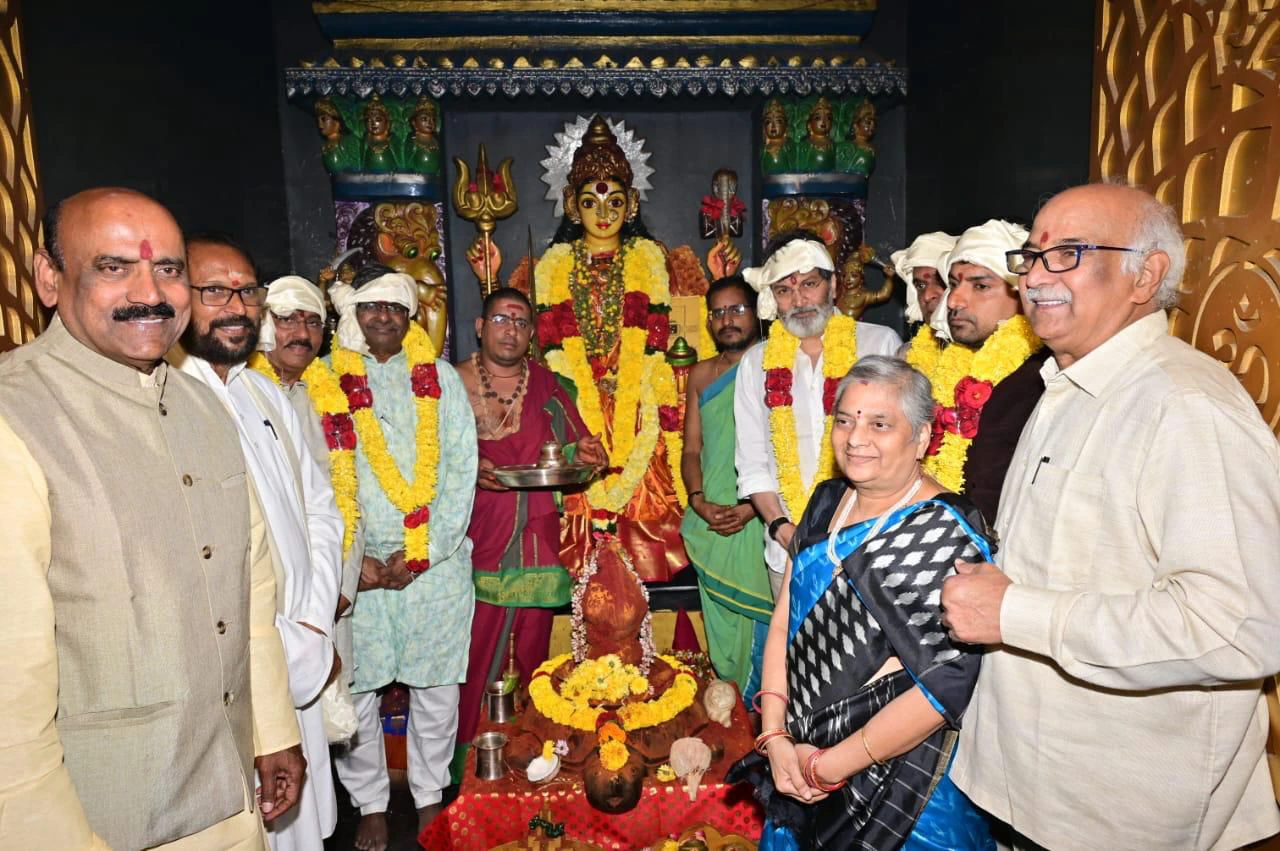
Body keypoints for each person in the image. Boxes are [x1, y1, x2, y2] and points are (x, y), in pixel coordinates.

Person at [943, 183, 1280, 850]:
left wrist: (1014, 613)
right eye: (1033, 255)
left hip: (1122, 815)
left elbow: (1237, 625)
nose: (1036, 276)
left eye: (1067, 253)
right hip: (1029, 788)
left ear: (1145, 274)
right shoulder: (1061, 384)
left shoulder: (1185, 405)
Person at [0, 187, 301, 849]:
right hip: (104, 818)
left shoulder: (199, 406)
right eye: (113, 267)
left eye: (168, 269)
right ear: (50, 278)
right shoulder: (13, 419)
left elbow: (249, 587)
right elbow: (8, 708)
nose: (151, 292)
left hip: (230, 799)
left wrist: (273, 727)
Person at [730, 356, 995, 850]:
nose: (855, 438)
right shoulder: (827, 500)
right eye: (845, 419)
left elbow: (944, 688)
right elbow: (785, 615)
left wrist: (828, 766)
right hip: (798, 753)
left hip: (900, 786)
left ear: (920, 438)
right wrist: (774, 737)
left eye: (879, 423)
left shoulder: (945, 532)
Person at [175, 237, 345, 851]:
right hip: (233, 675)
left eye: (247, 291)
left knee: (304, 833)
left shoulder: (262, 392)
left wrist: (314, 621)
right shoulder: (166, 399)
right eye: (213, 291)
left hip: (302, 641)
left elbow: (320, 511)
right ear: (175, 295)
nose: (236, 308)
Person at [467, 115, 687, 582]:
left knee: (645, 497)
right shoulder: (550, 267)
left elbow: (663, 338)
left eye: (614, 200)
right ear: (572, 205)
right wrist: (488, 279)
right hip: (572, 402)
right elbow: (523, 342)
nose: (602, 212)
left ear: (630, 206)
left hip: (637, 396)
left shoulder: (653, 260)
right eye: (590, 201)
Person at [322, 264, 478, 851]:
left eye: (394, 307)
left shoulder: (441, 379)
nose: (382, 316)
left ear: (410, 317)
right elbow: (317, 480)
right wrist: (350, 560)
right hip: (355, 565)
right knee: (358, 687)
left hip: (432, 565)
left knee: (435, 688)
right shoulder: (329, 383)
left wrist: (425, 552)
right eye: (371, 306)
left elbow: (461, 472)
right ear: (354, 316)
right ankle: (371, 804)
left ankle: (431, 796)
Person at [455, 286, 607, 747]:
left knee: (531, 656)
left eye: (522, 323)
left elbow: (569, 452)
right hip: (469, 541)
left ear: (532, 335)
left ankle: (526, 753)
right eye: (501, 319)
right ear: (480, 327)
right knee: (473, 652)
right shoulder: (446, 382)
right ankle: (465, 761)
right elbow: (423, 459)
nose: (511, 330)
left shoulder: (547, 385)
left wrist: (584, 450)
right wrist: (466, 469)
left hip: (536, 542)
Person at [735, 232, 902, 600]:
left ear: (833, 284)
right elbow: (752, 463)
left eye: (810, 284)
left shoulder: (880, 345)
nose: (799, 300)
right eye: (784, 290)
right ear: (771, 297)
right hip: (788, 551)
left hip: (871, 545)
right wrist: (782, 527)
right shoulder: (755, 363)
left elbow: (899, 450)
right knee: (799, 656)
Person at [251, 274, 364, 732]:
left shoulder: (328, 394)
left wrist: (343, 584)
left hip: (327, 588)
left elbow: (350, 498)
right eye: (286, 319)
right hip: (270, 593)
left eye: (314, 321)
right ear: (262, 324)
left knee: (324, 727)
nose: (302, 332)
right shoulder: (241, 393)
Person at [904, 220, 1046, 524]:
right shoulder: (947, 365)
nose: (953, 300)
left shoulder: (1046, 378)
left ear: (1021, 292)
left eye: (980, 286)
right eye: (954, 284)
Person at [679, 275, 770, 699]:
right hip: (711, 518)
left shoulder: (777, 367)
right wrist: (697, 501)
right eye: (718, 312)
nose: (727, 320)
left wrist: (755, 506)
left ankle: (761, 724)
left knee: (764, 624)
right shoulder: (700, 375)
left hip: (761, 518)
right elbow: (692, 450)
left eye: (737, 309)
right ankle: (732, 720)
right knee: (721, 630)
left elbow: (791, 453)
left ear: (757, 312)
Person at [890, 231, 954, 331]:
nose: (927, 296)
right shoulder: (909, 347)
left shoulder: (986, 345)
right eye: (920, 286)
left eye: (940, 281)